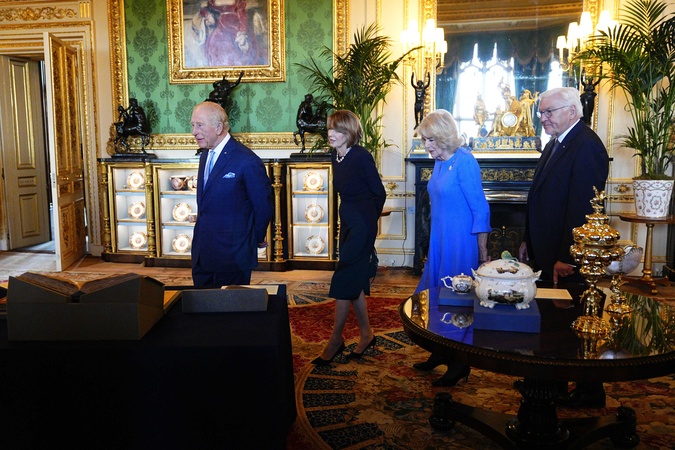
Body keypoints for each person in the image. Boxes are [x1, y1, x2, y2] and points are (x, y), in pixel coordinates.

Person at [518, 86, 609, 408]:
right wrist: (528, 239)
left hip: (566, 258)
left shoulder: (587, 146)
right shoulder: (556, 143)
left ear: (572, 111)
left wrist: (565, 257)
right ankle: (550, 383)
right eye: (541, 112)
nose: (542, 118)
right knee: (553, 324)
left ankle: (589, 391)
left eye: (549, 111)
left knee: (576, 323)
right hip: (546, 249)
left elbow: (583, 210)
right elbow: (539, 198)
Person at [412, 109, 491, 386]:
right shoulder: (439, 161)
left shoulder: (465, 161)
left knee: (456, 300)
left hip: (460, 241)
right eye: (424, 140)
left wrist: (482, 251)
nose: (427, 146)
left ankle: (459, 363)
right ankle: (440, 350)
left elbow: (480, 208)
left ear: (445, 136)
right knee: (434, 293)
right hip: (440, 239)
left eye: (431, 140)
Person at [311, 110, 386, 366]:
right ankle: (366, 335)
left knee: (343, 277)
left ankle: (335, 340)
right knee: (355, 279)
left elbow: (379, 193)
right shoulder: (336, 155)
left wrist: (368, 223)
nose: (331, 134)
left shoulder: (361, 156)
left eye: (337, 130)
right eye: (330, 129)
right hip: (348, 221)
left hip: (362, 224)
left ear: (350, 133)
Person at [190, 101, 273, 287]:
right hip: (202, 255)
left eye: (200, 125)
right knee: (201, 304)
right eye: (193, 125)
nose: (194, 131)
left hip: (233, 256)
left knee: (229, 306)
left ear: (218, 127)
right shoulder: (205, 155)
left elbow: (263, 207)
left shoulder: (247, 160)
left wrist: (253, 239)